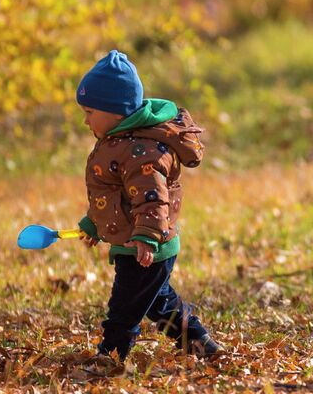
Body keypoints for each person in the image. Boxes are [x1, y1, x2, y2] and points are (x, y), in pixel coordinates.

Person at [74, 49, 223, 361]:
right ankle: (199, 342)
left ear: (114, 112)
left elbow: (151, 199)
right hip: (140, 244)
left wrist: (145, 237)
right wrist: (93, 224)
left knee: (124, 308)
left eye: (89, 112)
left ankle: (110, 355)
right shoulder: (119, 142)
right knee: (159, 302)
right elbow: (111, 195)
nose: (85, 120)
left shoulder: (141, 150)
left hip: (146, 246)